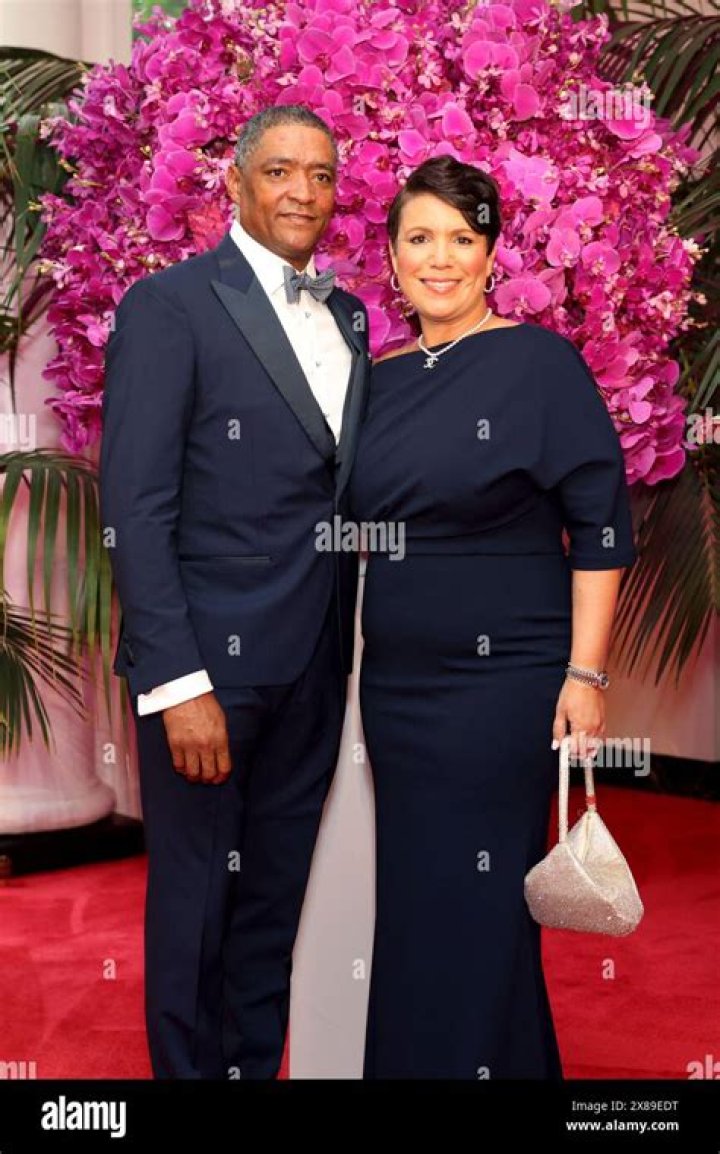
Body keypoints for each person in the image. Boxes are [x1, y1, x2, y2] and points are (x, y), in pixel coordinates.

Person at [348, 155, 637, 1079]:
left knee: (477, 897)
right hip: (397, 685)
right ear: (392, 257)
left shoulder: (539, 365)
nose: (439, 259)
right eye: (419, 239)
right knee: (416, 896)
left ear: (490, 253)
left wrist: (585, 675)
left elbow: (601, 529)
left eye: (460, 240)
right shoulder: (376, 380)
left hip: (503, 681)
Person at [100, 105, 370, 1079]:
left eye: (322, 175)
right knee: (196, 910)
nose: (303, 192)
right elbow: (135, 505)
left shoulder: (350, 316)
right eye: (280, 171)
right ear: (235, 183)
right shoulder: (168, 307)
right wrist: (177, 681)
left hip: (314, 666)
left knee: (268, 908)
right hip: (208, 669)